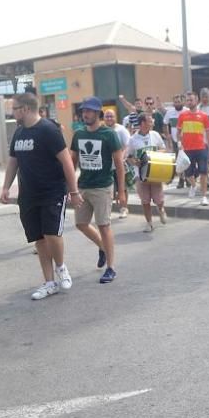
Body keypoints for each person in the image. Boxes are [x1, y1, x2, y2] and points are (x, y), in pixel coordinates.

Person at [0, 92, 83, 300]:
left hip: (52, 191)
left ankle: (61, 267)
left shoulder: (48, 130)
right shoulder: (18, 134)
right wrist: (5, 187)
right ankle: (49, 282)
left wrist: (73, 191)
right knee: (39, 239)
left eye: (15, 108)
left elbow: (66, 162)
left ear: (25, 109)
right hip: (28, 195)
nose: (13, 113)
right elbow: (13, 162)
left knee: (52, 234)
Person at [71, 97, 126, 283]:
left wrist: (122, 191)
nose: (85, 114)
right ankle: (103, 247)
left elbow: (119, 164)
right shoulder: (78, 134)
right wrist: (70, 188)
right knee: (81, 223)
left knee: (104, 225)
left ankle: (111, 268)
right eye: (83, 111)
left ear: (97, 113)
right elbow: (72, 162)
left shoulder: (109, 134)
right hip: (83, 186)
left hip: (103, 186)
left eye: (89, 111)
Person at [126, 113, 169, 232]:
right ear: (142, 123)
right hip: (141, 175)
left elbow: (164, 148)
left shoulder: (155, 135)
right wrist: (135, 162)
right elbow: (129, 156)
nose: (152, 123)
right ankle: (149, 223)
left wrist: (155, 155)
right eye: (150, 121)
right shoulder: (133, 139)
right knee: (145, 201)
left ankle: (161, 209)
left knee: (158, 198)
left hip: (155, 173)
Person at [177, 92, 209, 206]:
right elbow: (178, 132)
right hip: (187, 149)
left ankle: (204, 197)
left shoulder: (204, 116)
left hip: (201, 148)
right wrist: (179, 143)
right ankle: (193, 185)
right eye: (187, 100)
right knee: (188, 173)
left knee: (203, 172)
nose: (189, 102)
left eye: (191, 100)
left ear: (196, 100)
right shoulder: (182, 115)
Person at [103, 108, 131, 219]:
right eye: (107, 116)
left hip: (119, 165)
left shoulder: (121, 130)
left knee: (122, 187)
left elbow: (127, 145)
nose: (109, 118)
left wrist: (121, 158)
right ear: (103, 118)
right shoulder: (101, 130)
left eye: (111, 116)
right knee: (107, 190)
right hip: (106, 166)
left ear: (115, 117)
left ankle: (124, 208)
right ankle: (107, 211)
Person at [163, 94, 186, 188]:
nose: (177, 104)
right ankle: (181, 179)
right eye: (175, 102)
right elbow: (165, 124)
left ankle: (189, 178)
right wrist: (168, 135)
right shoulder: (170, 112)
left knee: (187, 160)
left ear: (182, 102)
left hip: (186, 140)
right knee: (178, 160)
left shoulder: (186, 111)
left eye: (178, 102)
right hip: (175, 140)